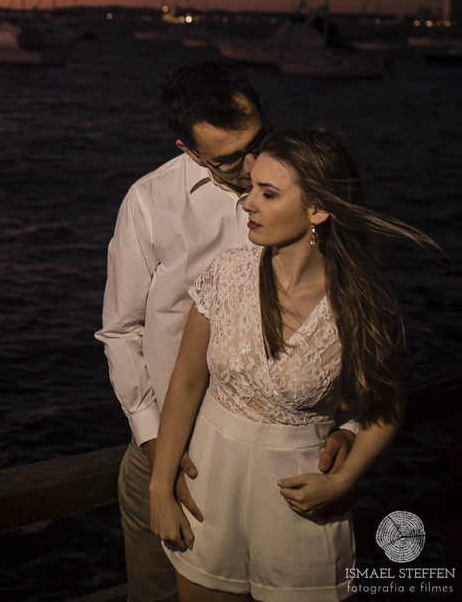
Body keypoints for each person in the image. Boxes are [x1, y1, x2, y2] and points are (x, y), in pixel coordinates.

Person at [96, 61, 353, 602]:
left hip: (282, 457)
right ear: (189, 151)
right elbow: (121, 331)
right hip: (169, 446)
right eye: (230, 158)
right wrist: (154, 446)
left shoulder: (306, 186)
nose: (251, 164)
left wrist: (348, 428)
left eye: (257, 140)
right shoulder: (149, 202)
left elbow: (350, 317)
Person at [149, 128, 433, 601]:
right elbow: (186, 382)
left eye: (268, 193)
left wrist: (344, 479)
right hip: (207, 492)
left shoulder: (361, 305)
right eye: (251, 188)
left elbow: (386, 405)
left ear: (317, 210)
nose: (247, 203)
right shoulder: (227, 272)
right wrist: (160, 489)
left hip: (301, 505)